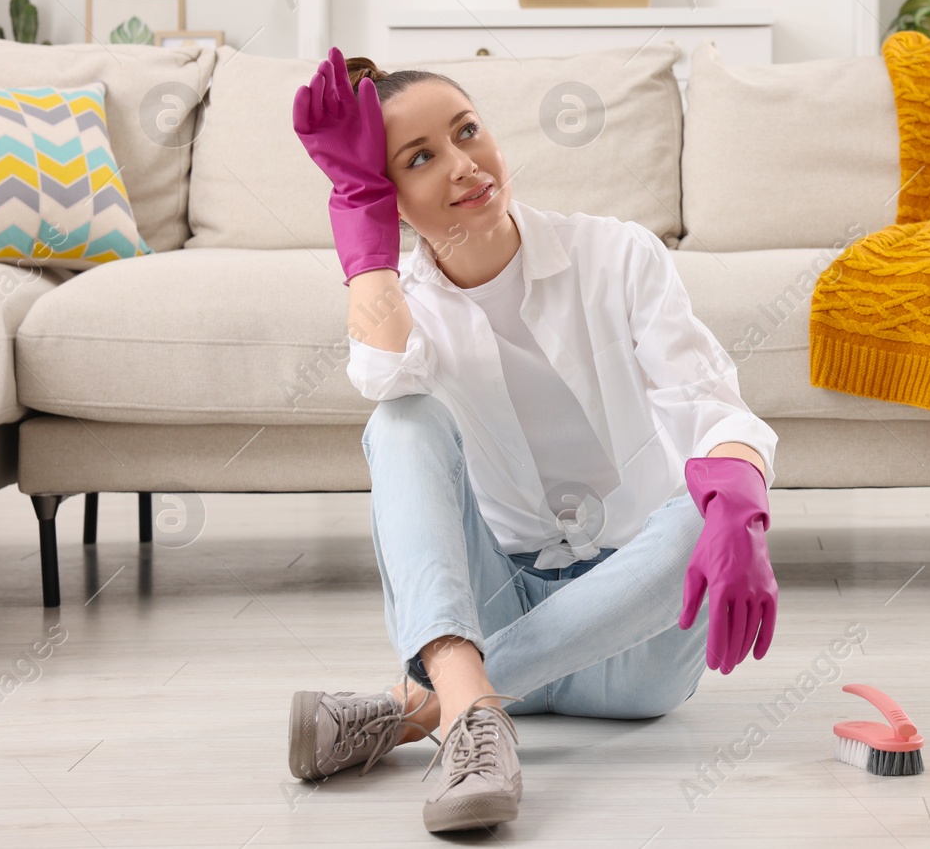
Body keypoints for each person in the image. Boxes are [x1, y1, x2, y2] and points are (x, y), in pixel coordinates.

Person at [284, 47, 779, 834]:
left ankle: (426, 709)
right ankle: (472, 708)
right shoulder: (409, 304)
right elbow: (382, 372)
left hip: (636, 640)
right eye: (420, 158)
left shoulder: (616, 254)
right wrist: (358, 219)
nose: (463, 165)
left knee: (708, 499)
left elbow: (708, 404)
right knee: (400, 419)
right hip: (486, 607)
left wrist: (743, 506)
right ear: (392, 199)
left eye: (468, 130)